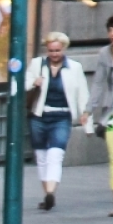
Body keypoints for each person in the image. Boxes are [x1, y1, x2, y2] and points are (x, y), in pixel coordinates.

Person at [25, 31, 89, 211]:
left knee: (55, 154)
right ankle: (47, 195)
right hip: (39, 115)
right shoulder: (37, 64)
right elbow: (23, 83)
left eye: (57, 50)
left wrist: (86, 114)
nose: (54, 54)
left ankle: (51, 192)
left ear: (64, 49)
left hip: (62, 116)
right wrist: (34, 83)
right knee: (42, 157)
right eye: (51, 50)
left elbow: (82, 93)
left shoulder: (74, 67)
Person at [84, 13, 113, 217]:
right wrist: (88, 109)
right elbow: (99, 83)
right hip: (112, 112)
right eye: (110, 30)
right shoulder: (104, 54)